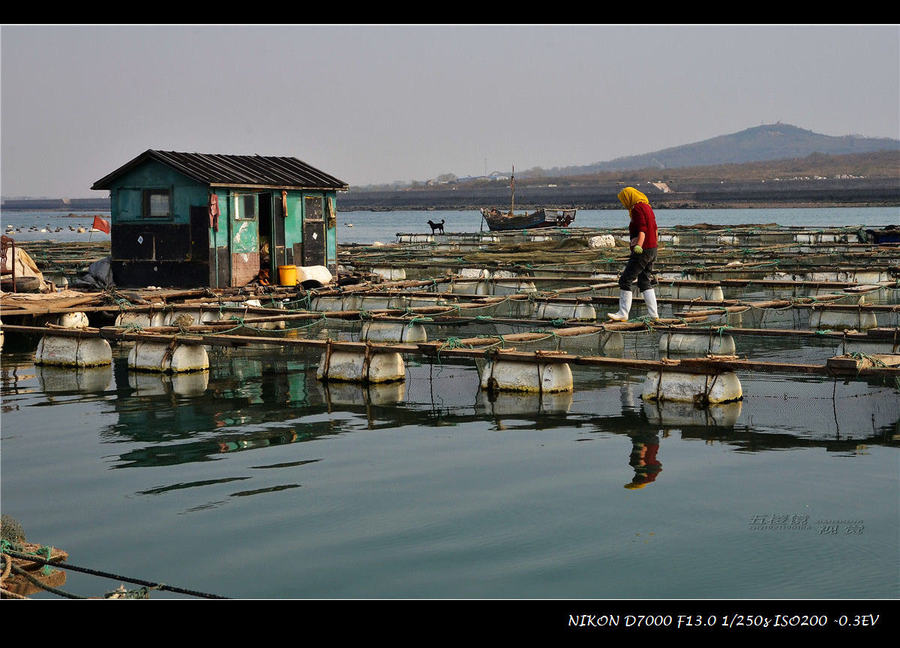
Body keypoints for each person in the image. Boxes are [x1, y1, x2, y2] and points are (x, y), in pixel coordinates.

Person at [608, 187, 659, 321]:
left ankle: (623, 313)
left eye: (623, 200)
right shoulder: (647, 206)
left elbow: (643, 229)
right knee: (644, 281)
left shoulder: (637, 208)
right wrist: (654, 246)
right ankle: (654, 315)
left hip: (643, 250)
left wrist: (639, 246)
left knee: (625, 280)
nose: (623, 203)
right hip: (652, 249)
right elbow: (655, 229)